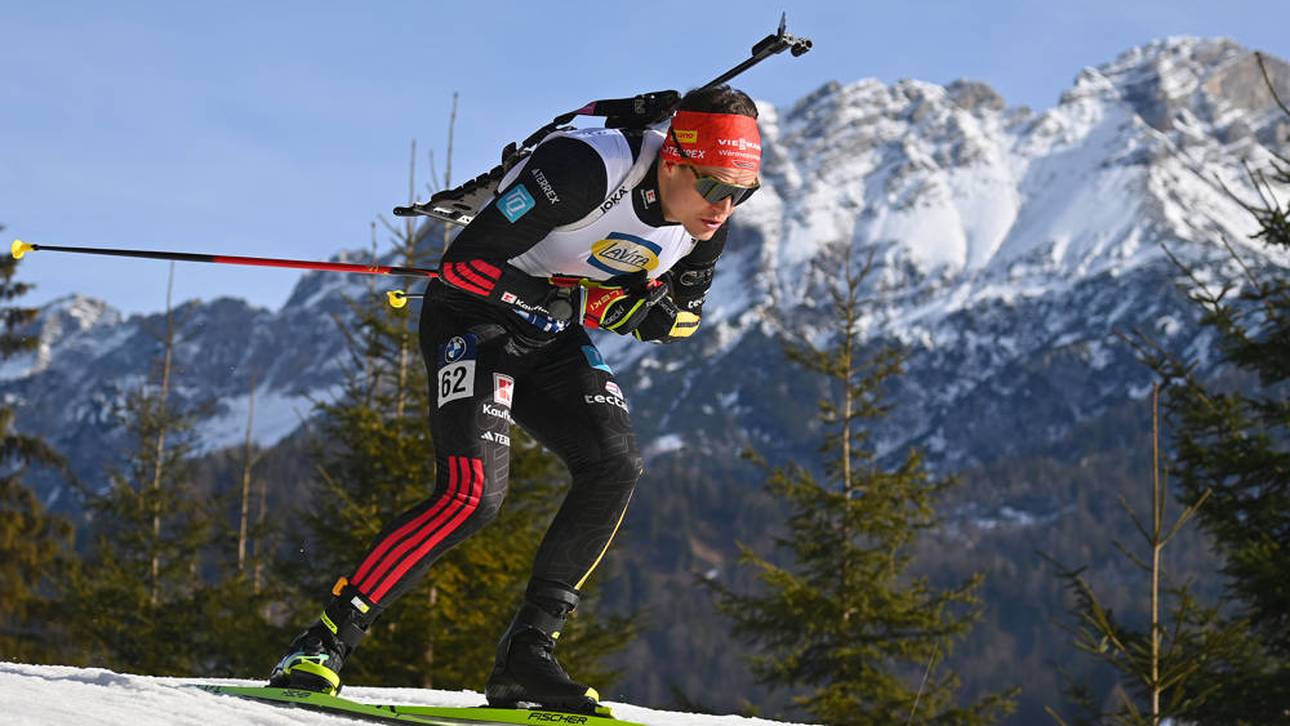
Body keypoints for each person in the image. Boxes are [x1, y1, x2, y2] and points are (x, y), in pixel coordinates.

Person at [268, 84, 763, 715]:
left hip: (552, 332)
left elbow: (686, 318)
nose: (726, 206)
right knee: (473, 496)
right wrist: (585, 302)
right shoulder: (587, 168)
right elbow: (466, 266)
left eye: (742, 191)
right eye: (715, 185)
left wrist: (634, 311)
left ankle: (527, 656)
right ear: (673, 159)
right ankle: (323, 641)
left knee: (615, 466)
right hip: (473, 318)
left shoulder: (705, 227)